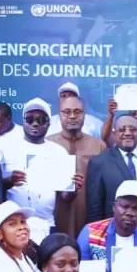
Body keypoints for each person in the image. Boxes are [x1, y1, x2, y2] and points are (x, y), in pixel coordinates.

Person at [0, 98, 77, 232]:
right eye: (30, 119)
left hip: (46, 224)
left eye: (40, 120)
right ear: (23, 122)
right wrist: (9, 181)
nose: (35, 124)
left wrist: (73, 189)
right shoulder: (5, 147)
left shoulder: (59, 152)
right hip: (13, 224)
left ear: (48, 124)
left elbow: (65, 197)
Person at [47, 96, 105, 237]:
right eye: (67, 112)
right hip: (56, 216)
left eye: (77, 111)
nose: (72, 116)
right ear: (59, 115)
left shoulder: (99, 145)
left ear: (84, 114)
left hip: (89, 217)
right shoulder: (47, 145)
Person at [86, 114, 137, 227]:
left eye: (133, 129)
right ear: (114, 134)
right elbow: (94, 207)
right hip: (113, 231)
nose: (128, 133)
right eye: (122, 129)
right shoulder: (99, 162)